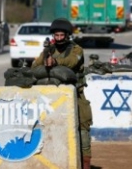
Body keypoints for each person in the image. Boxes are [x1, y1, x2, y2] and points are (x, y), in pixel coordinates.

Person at [31, 18, 93, 169]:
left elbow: (72, 62)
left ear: (67, 35)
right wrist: (45, 58)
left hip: (75, 95)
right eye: (56, 35)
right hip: (52, 97)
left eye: (61, 35)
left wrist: (56, 63)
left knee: (83, 129)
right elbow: (35, 66)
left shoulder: (76, 49)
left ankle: (85, 164)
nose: (59, 38)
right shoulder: (49, 49)